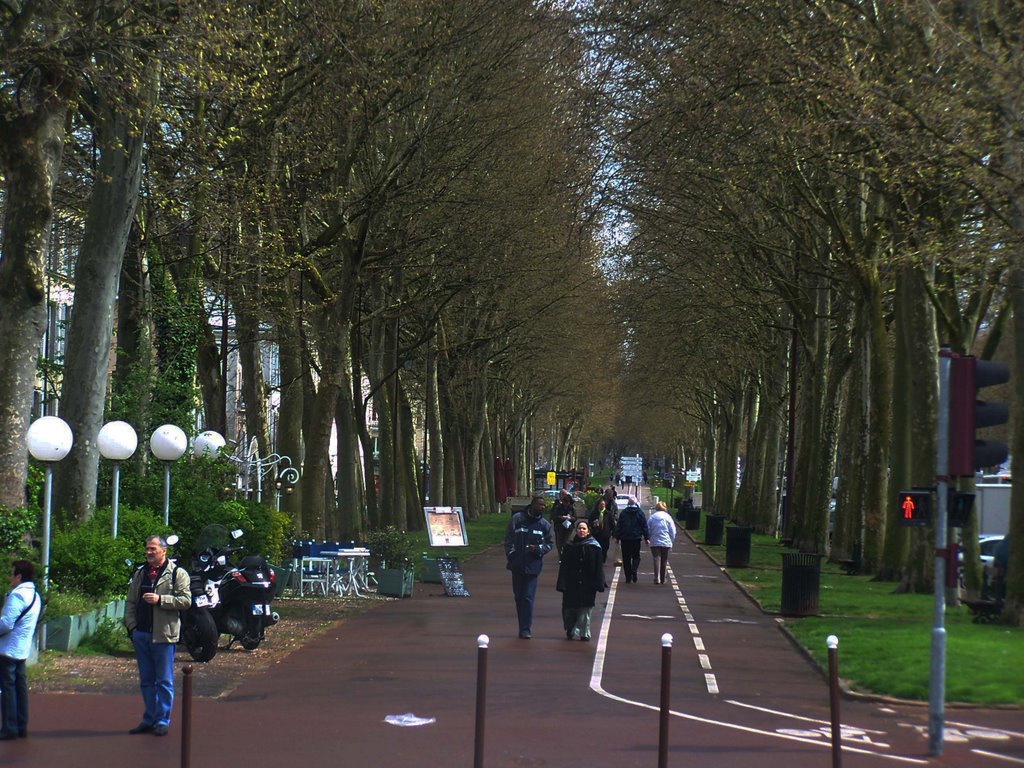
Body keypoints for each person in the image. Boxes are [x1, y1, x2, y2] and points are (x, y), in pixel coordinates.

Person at [124, 535, 191, 736]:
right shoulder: (140, 573)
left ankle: (162, 720)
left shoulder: (177, 573)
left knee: (164, 680)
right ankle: (149, 718)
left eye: (153, 549)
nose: (149, 552)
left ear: (164, 550)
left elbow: (186, 600)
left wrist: (161, 599)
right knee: (146, 680)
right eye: (147, 549)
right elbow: (130, 602)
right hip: (141, 634)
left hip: (163, 635)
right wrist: (132, 627)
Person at [0, 561, 42, 739]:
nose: (10, 578)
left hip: (8, 648)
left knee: (8, 688)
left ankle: (9, 728)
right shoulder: (35, 595)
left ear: (19, 576)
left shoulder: (17, 595)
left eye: (12, 574)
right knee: (20, 687)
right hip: (22, 648)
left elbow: (6, 623)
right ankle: (21, 725)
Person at [504, 493, 554, 639]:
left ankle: (525, 629)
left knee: (528, 597)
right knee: (519, 596)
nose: (542, 507)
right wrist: (511, 555)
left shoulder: (545, 524)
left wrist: (538, 550)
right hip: (517, 565)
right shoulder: (517, 519)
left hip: (533, 566)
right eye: (540, 504)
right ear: (533, 505)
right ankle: (522, 624)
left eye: (544, 505)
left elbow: (550, 544)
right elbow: (508, 539)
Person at [556, 521, 606, 641]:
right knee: (569, 610)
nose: (581, 531)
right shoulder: (569, 546)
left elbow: (599, 567)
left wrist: (599, 583)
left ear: (588, 531)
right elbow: (564, 566)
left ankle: (584, 633)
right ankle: (571, 628)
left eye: (584, 529)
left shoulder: (594, 547)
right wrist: (561, 583)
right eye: (579, 528)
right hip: (571, 583)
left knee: (585, 610)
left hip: (587, 584)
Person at [615, 498, 649, 583]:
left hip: (625, 538)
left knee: (626, 558)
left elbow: (619, 525)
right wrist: (646, 538)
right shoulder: (640, 512)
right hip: (636, 538)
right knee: (636, 556)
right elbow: (644, 525)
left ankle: (628, 577)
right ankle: (634, 569)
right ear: (636, 503)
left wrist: (617, 537)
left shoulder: (623, 513)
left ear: (628, 503)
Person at [647, 501, 677, 585]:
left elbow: (648, 529)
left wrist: (648, 538)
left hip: (655, 541)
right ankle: (663, 578)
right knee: (664, 560)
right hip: (666, 541)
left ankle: (657, 578)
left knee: (656, 559)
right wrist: (671, 540)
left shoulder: (652, 517)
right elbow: (673, 531)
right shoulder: (668, 518)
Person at [550, 489, 576, 558]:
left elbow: (575, 518)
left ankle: (564, 556)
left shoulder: (571, 508)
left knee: (566, 542)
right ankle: (560, 556)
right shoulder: (557, 506)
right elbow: (554, 516)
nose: (566, 503)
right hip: (559, 527)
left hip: (568, 528)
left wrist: (570, 518)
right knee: (559, 543)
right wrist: (562, 517)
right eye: (562, 494)